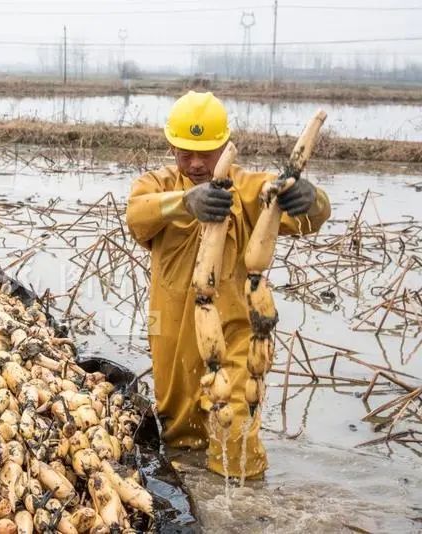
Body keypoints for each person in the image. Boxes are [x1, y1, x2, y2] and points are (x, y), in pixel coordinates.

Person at [125, 91, 331, 478]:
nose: (198, 163)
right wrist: (187, 202)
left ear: (226, 144)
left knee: (234, 424)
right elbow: (137, 215)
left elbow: (310, 215)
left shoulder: (250, 188)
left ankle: (245, 502)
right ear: (171, 146)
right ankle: (196, 496)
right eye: (186, 152)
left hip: (234, 330)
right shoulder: (155, 185)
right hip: (170, 327)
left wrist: (312, 198)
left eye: (209, 152)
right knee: (179, 428)